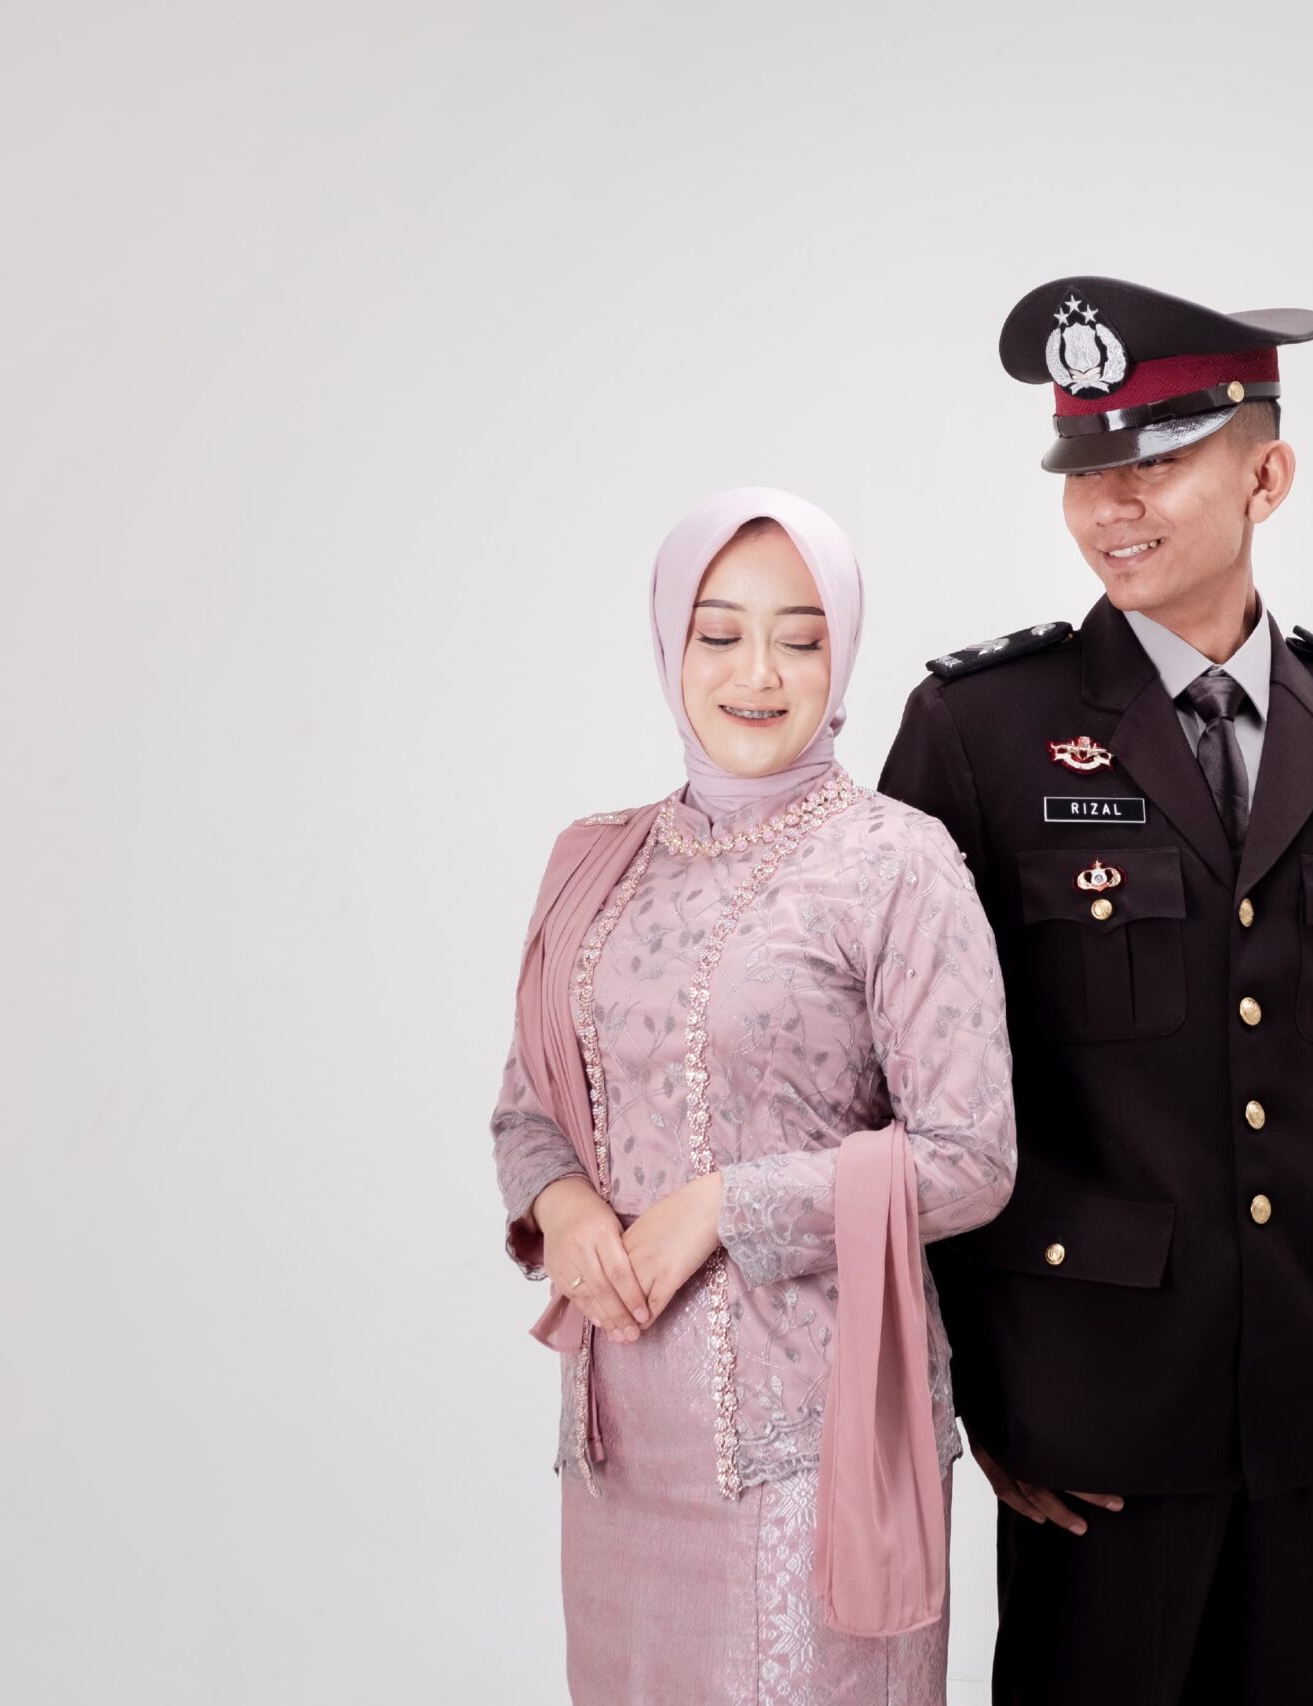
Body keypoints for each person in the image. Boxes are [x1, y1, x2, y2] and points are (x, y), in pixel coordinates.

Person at [877, 277, 1313, 1705]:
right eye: (1086, 471)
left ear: (1267, 476)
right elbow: (898, 1090)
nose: (1111, 506)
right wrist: (973, 1389)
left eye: (1156, 463)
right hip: (1087, 1411)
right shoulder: (979, 732)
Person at [489, 487, 1017, 1702]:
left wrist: (727, 1204)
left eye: (801, 637)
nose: (759, 673)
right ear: (670, 641)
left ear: (843, 654)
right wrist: (564, 1206)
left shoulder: (897, 860)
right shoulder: (593, 858)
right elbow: (528, 1109)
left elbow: (970, 1155)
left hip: (816, 1441)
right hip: (621, 1437)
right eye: (720, 632)